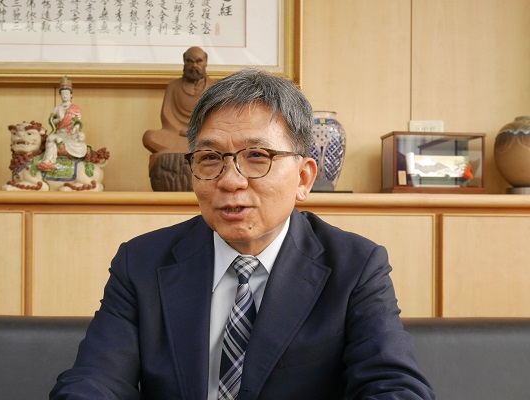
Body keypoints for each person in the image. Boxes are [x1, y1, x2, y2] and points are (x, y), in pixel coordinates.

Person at [50, 69, 435, 399]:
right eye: (210, 158)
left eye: (257, 156)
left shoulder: (356, 267)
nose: (230, 180)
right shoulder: (141, 263)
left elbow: (393, 386)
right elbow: (95, 379)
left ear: (303, 178)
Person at [142, 46, 216, 155]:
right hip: (177, 134)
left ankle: (189, 148)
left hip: (202, 134)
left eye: (198, 61)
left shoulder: (214, 87)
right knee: (149, 137)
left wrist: (195, 131)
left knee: (218, 140)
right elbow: (167, 117)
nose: (194, 65)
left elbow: (216, 117)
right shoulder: (173, 86)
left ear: (205, 61)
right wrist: (181, 131)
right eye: (189, 61)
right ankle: (192, 149)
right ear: (184, 61)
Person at [38, 76, 87, 171]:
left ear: (71, 95)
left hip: (71, 134)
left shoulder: (75, 108)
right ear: (60, 95)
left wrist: (75, 127)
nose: (65, 96)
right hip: (60, 132)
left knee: (80, 137)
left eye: (67, 94)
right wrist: (59, 119)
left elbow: (78, 122)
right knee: (50, 139)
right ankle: (49, 161)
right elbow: (51, 121)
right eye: (63, 94)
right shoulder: (57, 108)